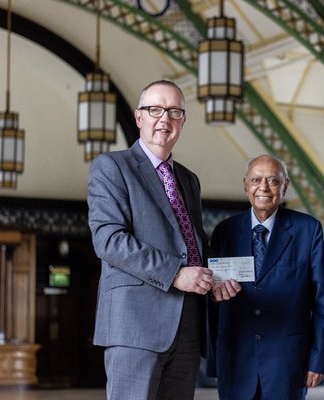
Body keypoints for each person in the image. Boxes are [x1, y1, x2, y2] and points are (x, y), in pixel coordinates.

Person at [88, 80, 223, 400]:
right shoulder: (112, 167)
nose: (165, 119)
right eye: (155, 110)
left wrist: (218, 276)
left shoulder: (188, 180)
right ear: (139, 118)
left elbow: (193, 242)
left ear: (183, 121)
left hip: (188, 325)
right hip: (135, 325)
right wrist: (175, 273)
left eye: (174, 111)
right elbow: (108, 239)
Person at [209, 155, 324, 400]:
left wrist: (318, 359)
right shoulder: (224, 231)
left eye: (273, 181)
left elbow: (323, 302)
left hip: (287, 363)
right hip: (235, 361)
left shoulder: (308, 230)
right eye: (256, 180)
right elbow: (213, 303)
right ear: (245, 185)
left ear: (285, 186)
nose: (263, 187)